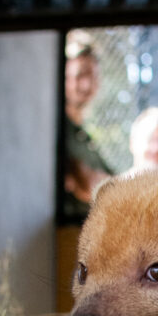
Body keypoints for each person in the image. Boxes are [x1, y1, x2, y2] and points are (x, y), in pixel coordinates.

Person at [63, 31, 112, 219]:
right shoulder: (61, 132)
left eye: (92, 76)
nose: (86, 84)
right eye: (80, 74)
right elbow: (88, 184)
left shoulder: (82, 136)